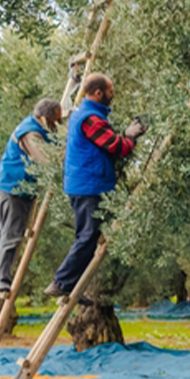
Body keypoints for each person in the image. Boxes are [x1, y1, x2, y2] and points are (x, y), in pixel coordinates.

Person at [45, 74, 146, 299]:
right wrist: (130, 136)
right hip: (88, 185)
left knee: (88, 236)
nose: (113, 94)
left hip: (85, 183)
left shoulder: (83, 114)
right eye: (110, 91)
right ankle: (61, 282)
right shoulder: (91, 120)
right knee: (88, 236)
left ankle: (71, 284)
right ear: (98, 93)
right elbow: (116, 146)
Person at [0, 99, 63, 294]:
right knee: (11, 234)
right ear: (45, 118)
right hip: (13, 188)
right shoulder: (31, 133)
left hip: (13, 186)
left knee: (2, 231)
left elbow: (65, 113)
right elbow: (45, 160)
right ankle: (1, 280)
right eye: (55, 121)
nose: (58, 125)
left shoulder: (39, 124)